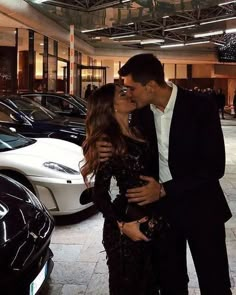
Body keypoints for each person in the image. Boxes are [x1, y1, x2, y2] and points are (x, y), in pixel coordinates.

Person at [97, 53, 232, 295]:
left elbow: (214, 166)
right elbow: (114, 128)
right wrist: (102, 145)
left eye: (131, 87)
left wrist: (163, 188)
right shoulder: (139, 113)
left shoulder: (200, 106)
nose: (127, 93)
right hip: (162, 214)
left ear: (150, 86)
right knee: (171, 283)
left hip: (203, 209)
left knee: (215, 282)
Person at [81, 83, 167, 295]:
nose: (129, 95)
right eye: (122, 93)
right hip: (125, 227)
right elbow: (99, 194)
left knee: (150, 285)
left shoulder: (137, 128)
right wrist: (121, 225)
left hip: (150, 219)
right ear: (111, 106)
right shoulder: (107, 142)